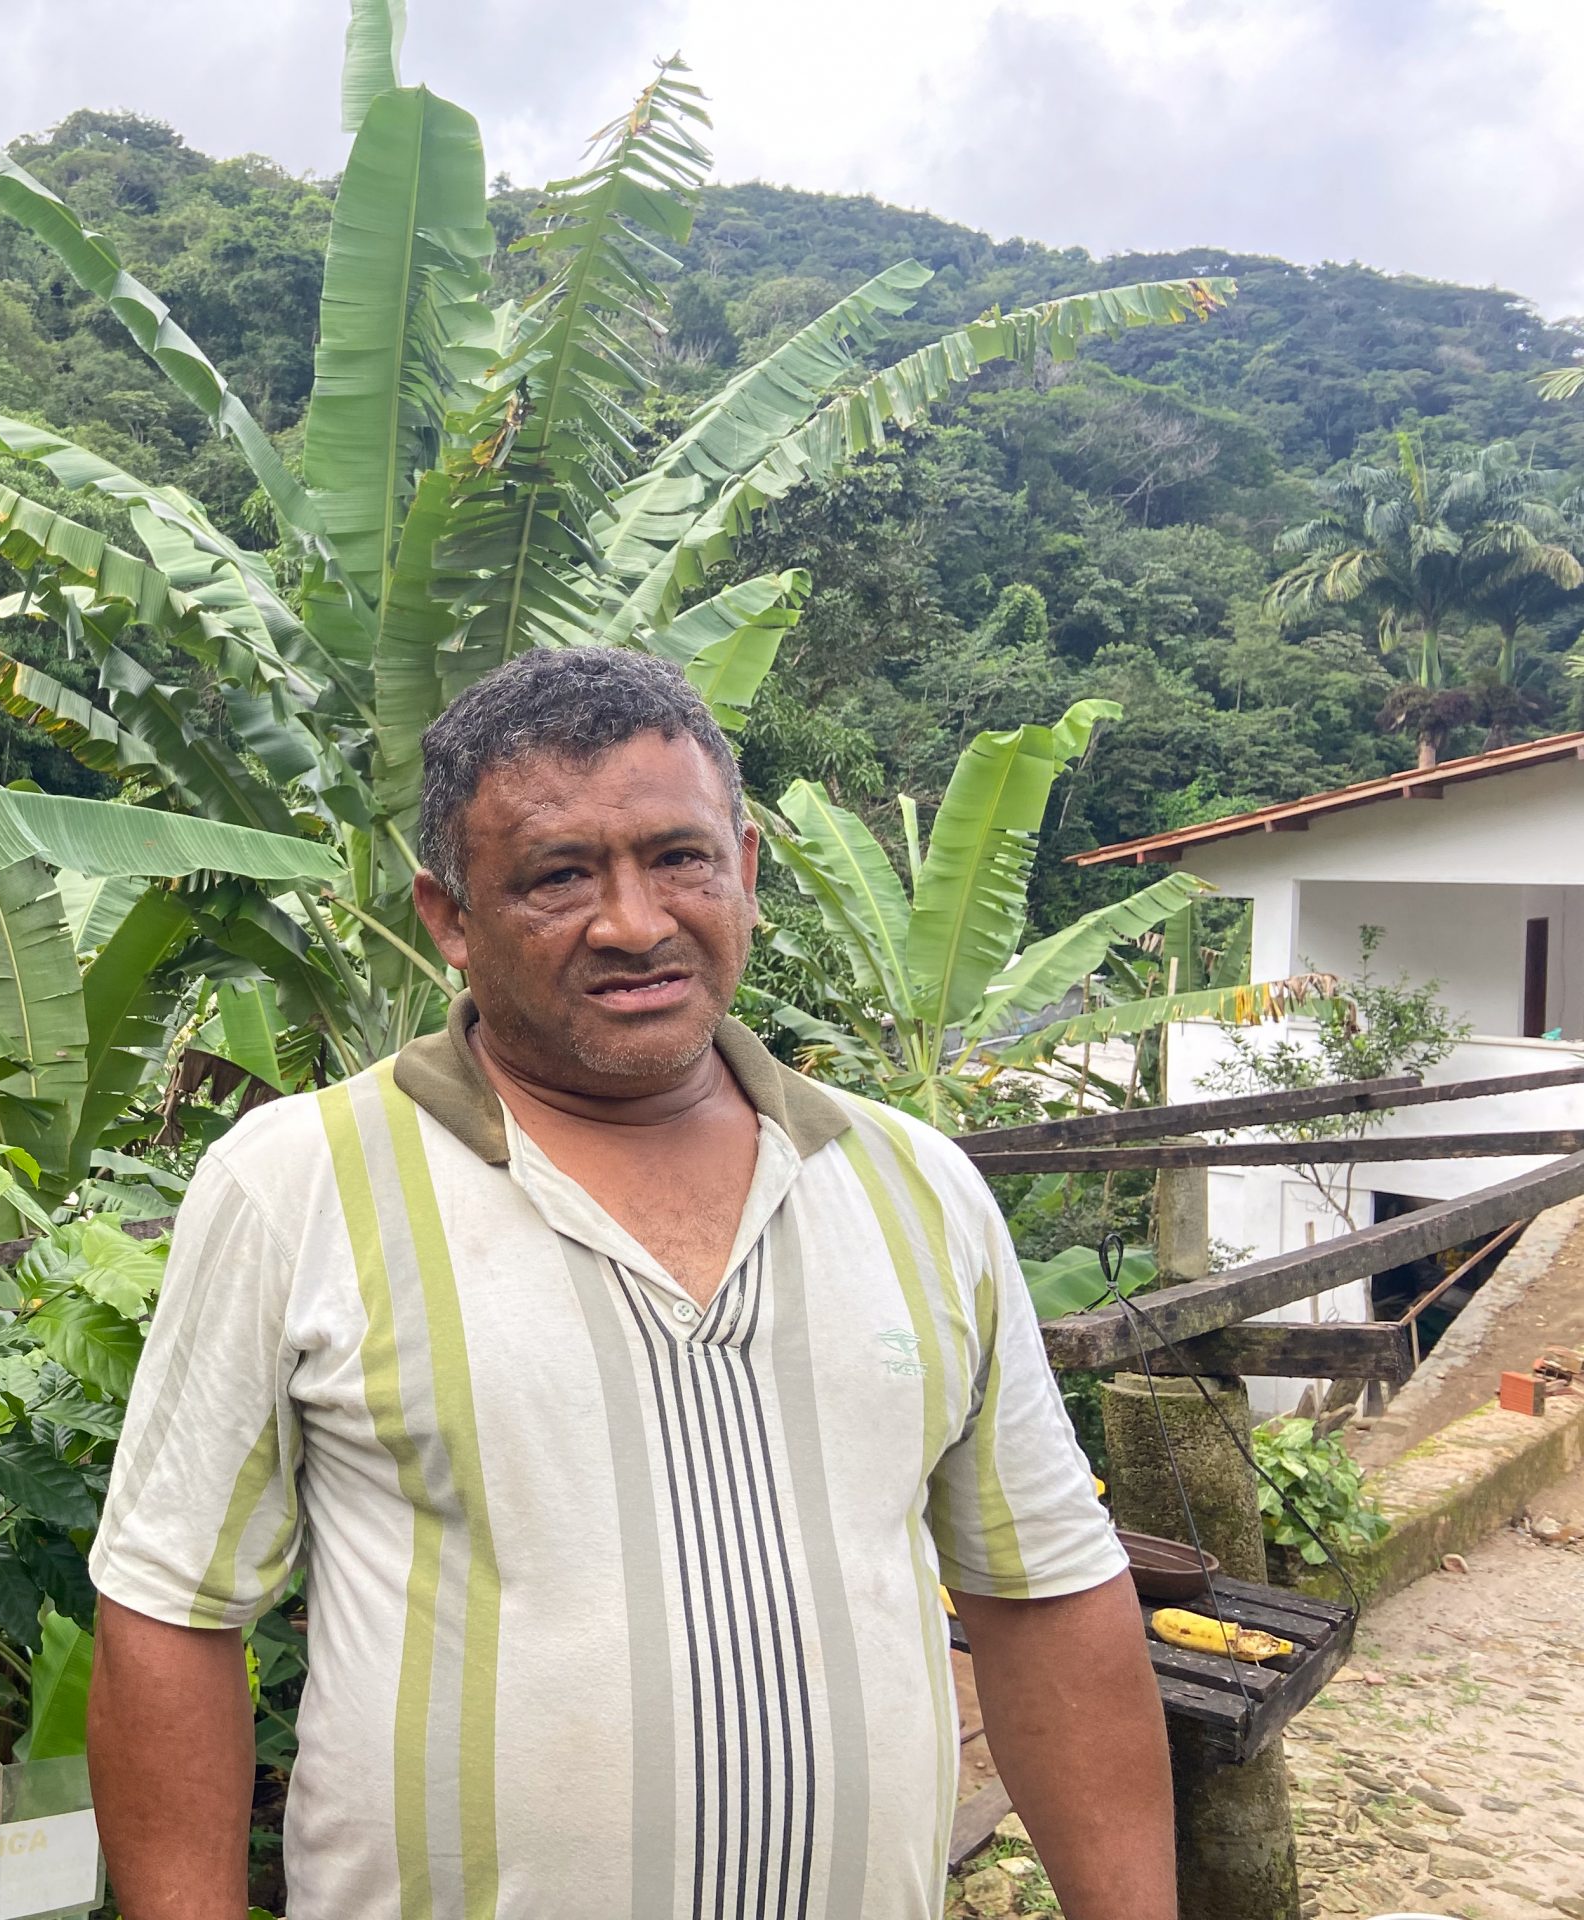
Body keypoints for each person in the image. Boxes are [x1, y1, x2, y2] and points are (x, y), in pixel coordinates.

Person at [85, 648, 1174, 1920]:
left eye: (679, 858)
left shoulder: (912, 1188)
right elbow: (170, 1612)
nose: (636, 923)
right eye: (557, 876)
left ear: (747, 867)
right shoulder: (299, 1185)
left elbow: (1041, 1591)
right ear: (448, 917)